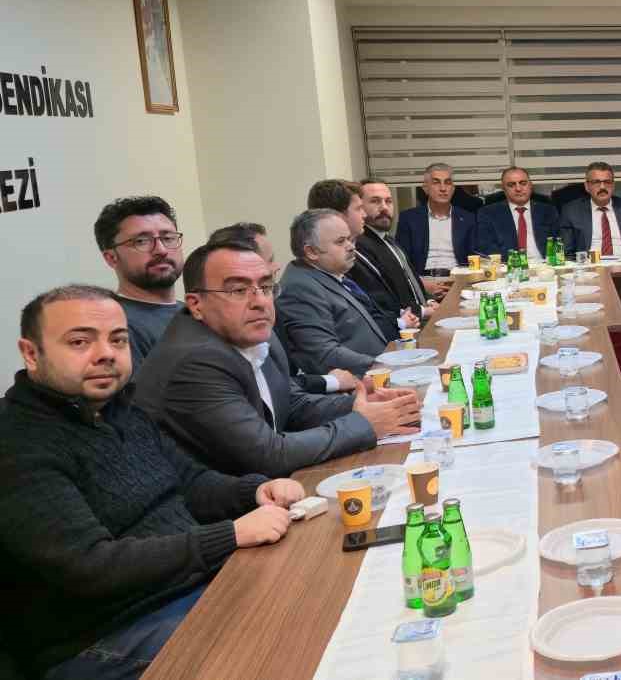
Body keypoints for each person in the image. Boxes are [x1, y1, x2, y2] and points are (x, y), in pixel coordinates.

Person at [0, 284, 305, 680]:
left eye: (118, 339)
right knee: (280, 643)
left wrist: (255, 490)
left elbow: (191, 483)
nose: (106, 354)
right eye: (79, 342)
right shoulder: (17, 442)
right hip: (102, 635)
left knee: (308, 584)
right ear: (31, 353)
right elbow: (91, 566)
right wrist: (229, 536)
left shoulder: (123, 408)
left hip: (186, 586)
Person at [135, 241, 420, 477]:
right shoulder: (195, 360)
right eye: (238, 290)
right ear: (196, 305)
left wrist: (360, 404)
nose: (260, 301)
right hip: (222, 510)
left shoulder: (258, 333)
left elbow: (289, 404)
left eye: (266, 287)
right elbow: (266, 454)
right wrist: (363, 423)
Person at [205, 223, 360, 396]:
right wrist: (332, 382)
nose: (276, 266)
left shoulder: (270, 303)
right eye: (269, 260)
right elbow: (280, 386)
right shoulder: (217, 347)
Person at [276, 210, 408, 376]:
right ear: (311, 252)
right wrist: (384, 365)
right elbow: (324, 354)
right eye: (340, 242)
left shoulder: (331, 273)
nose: (351, 247)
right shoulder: (299, 289)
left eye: (350, 239)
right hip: (359, 382)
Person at [93, 196, 185, 370]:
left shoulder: (195, 312)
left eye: (168, 238)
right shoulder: (117, 324)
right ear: (111, 258)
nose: (161, 250)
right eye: (141, 241)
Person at [306, 179, 408, 330]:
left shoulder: (341, 264)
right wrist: (401, 323)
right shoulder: (310, 285)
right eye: (359, 208)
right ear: (338, 216)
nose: (364, 214)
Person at [355, 179, 434, 318]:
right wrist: (422, 311)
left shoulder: (389, 240)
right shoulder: (360, 245)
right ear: (359, 207)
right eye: (375, 201)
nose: (384, 207)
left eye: (388, 201)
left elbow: (410, 282)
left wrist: (429, 301)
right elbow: (383, 298)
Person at [395, 163, 477, 293]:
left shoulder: (468, 219)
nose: (443, 188)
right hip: (423, 281)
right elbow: (402, 260)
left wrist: (461, 282)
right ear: (425, 188)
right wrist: (420, 284)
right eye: (436, 183)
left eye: (448, 183)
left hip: (457, 281)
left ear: (453, 189)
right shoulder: (409, 219)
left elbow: (475, 258)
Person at [558, 161, 621, 257]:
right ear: (587, 186)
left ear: (613, 185)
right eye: (596, 182)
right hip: (589, 263)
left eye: (607, 182)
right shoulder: (571, 211)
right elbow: (567, 253)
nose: (602, 187)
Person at [476, 166, 559, 260]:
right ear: (504, 189)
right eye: (511, 185)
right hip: (509, 265)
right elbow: (486, 247)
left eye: (523, 183)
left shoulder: (548, 211)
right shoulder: (488, 213)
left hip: (544, 265)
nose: (518, 188)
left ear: (530, 185)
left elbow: (558, 243)